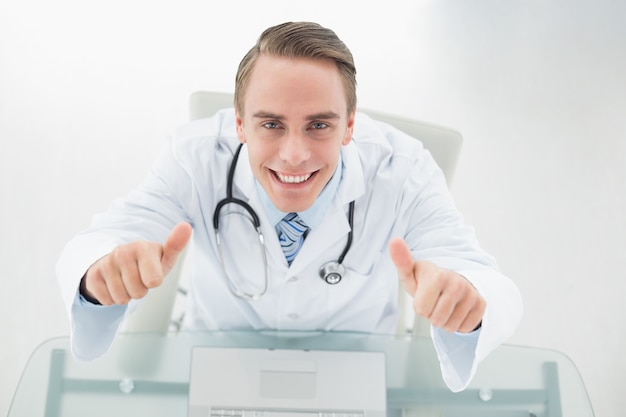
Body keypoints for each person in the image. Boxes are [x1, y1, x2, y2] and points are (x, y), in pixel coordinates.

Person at [56, 21, 522, 392]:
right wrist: (101, 274)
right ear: (239, 124)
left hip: (354, 381)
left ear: (349, 126)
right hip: (220, 374)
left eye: (319, 124)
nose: (294, 154)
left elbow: (476, 272)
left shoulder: (403, 170)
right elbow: (109, 236)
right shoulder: (194, 157)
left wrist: (467, 297)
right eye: (271, 125)